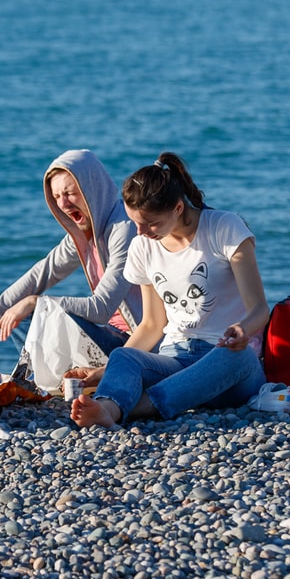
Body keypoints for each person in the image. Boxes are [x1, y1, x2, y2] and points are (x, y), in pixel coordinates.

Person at [69, 152, 269, 428]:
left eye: (151, 223)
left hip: (226, 362)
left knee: (235, 356)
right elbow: (152, 324)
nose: (140, 232)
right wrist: (108, 371)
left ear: (177, 208)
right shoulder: (142, 246)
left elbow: (259, 309)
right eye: (134, 222)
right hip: (174, 359)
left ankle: (139, 407)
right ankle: (107, 407)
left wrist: (243, 330)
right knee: (123, 356)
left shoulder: (225, 228)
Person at [0, 149, 142, 386]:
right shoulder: (84, 233)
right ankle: (33, 381)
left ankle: (40, 381)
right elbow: (42, 273)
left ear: (92, 188)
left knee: (37, 310)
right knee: (17, 315)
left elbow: (102, 309)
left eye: (70, 193)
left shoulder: (124, 229)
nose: (63, 203)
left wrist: (36, 303)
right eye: (56, 196)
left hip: (137, 345)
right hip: (108, 336)